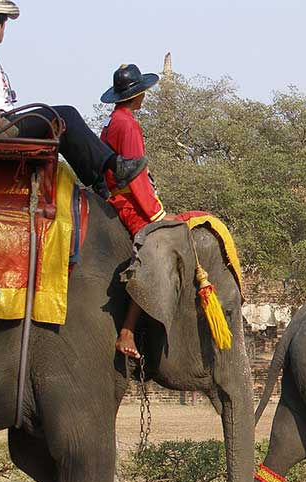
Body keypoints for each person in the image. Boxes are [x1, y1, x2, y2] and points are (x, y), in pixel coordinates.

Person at [0, 1, 147, 197]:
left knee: (61, 124)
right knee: (66, 115)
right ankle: (116, 167)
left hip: (6, 123)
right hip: (1, 128)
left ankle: (101, 184)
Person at [99, 63, 178, 359]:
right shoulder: (128, 125)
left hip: (114, 196)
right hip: (128, 202)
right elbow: (134, 176)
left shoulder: (112, 121)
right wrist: (157, 216)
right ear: (137, 95)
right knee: (154, 249)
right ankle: (128, 330)